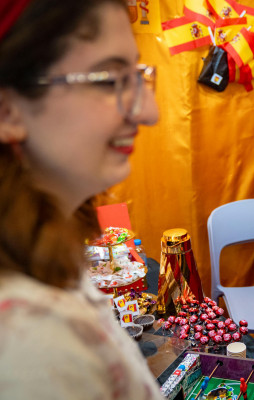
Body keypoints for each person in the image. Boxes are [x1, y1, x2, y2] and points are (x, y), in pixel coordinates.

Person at [0, 1, 162, 398]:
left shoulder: (49, 257)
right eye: (109, 80)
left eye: (139, 76)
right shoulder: (33, 344)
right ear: (8, 111)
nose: (149, 111)